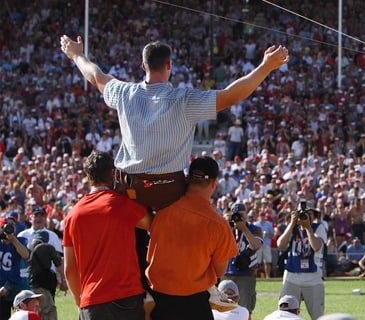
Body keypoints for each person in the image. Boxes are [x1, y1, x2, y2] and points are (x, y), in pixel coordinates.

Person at [59, 35, 289, 209]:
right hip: (169, 194)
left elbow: (95, 75)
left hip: (130, 191)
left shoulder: (123, 92)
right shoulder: (184, 99)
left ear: (143, 66)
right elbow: (231, 95)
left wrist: (76, 55)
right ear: (169, 65)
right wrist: (265, 67)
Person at [62, 151, 153, 320]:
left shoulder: (72, 215)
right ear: (113, 173)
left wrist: (80, 300)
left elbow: (69, 269)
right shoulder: (120, 204)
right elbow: (152, 224)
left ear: (88, 176)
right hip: (126, 297)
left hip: (91, 302)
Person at [145, 156, 237, 320]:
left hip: (158, 300)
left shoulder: (162, 209)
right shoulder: (218, 225)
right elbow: (219, 270)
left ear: (188, 178)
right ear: (214, 183)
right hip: (194, 302)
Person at [276, 202, 325, 320]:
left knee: (317, 315)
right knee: (285, 314)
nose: (306, 216)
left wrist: (308, 228)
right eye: (303, 214)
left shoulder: (318, 227)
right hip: (292, 276)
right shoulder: (293, 228)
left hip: (313, 278)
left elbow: (316, 246)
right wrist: (292, 224)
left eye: (310, 213)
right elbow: (280, 245)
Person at [222, 202, 263, 314]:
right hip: (227, 273)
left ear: (246, 214)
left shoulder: (255, 229)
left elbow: (256, 245)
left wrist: (244, 229)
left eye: (242, 214)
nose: (239, 217)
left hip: (246, 274)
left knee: (245, 309)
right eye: (236, 214)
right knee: (223, 308)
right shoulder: (226, 227)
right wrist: (226, 223)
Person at [26, 230, 61, 320]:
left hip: (30, 284)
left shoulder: (29, 248)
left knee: (36, 311)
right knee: (48, 310)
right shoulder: (47, 247)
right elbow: (58, 263)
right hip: (43, 286)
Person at [0, 216, 30, 320]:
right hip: (2, 287)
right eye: (7, 225)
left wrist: (13, 239)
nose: (9, 228)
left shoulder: (20, 240)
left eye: (12, 225)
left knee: (21, 317)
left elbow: (26, 255)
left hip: (18, 286)